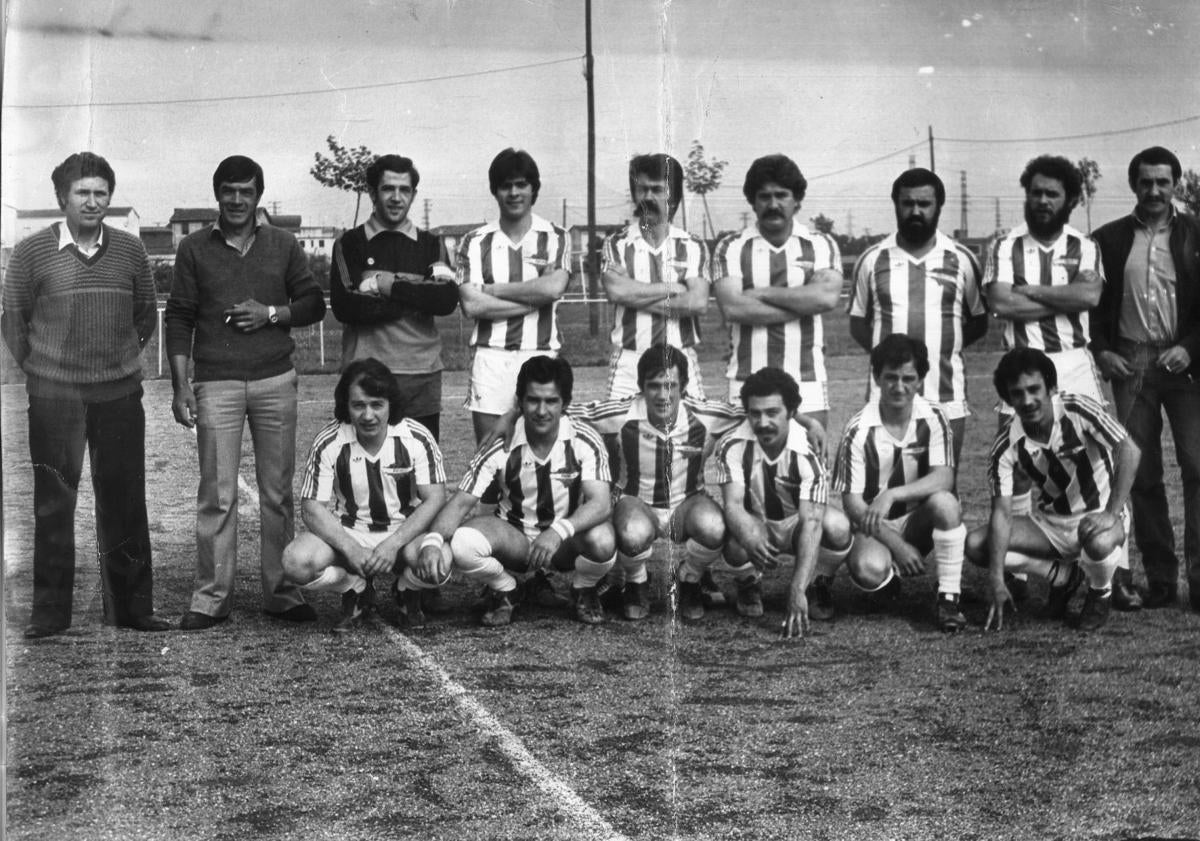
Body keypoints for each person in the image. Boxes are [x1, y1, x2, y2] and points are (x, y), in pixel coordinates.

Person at [1, 151, 170, 637]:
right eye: (82, 193)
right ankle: (50, 615)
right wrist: (47, 366)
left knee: (124, 499)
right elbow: (14, 320)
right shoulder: (33, 253)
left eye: (101, 193)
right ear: (62, 198)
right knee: (54, 502)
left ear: (109, 198)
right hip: (55, 397)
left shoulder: (130, 251)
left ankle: (133, 609)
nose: (93, 201)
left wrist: (115, 359)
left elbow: (143, 316)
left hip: (118, 394)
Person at [166, 155, 328, 630]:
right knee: (217, 493)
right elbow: (178, 317)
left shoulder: (283, 244)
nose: (237, 199)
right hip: (215, 382)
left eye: (246, 191)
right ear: (217, 194)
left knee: (276, 491)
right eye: (229, 190)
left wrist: (272, 314)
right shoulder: (194, 248)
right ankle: (211, 597)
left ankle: (281, 592)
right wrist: (181, 386)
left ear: (259, 196)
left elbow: (313, 303)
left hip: (275, 379)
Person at [982, 154, 1140, 610]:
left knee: (1102, 463)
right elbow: (1001, 305)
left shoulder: (1083, 245)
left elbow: (1089, 295)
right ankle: (1016, 570)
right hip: (1019, 367)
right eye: (1036, 192)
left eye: (1052, 193)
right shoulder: (1004, 245)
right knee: (1017, 461)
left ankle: (1116, 572)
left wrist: (1028, 291)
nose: (1043, 200)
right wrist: (1059, 297)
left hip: (1073, 362)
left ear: (1070, 199)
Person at [417, 356, 617, 626]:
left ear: (566, 404)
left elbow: (601, 504)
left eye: (551, 401)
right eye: (533, 400)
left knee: (604, 539)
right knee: (462, 542)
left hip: (564, 542)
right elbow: (461, 503)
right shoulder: (502, 442)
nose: (542, 410)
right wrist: (431, 543)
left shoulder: (583, 438)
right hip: (515, 541)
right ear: (520, 402)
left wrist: (558, 532)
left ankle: (584, 587)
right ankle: (506, 588)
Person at [1091, 146, 1200, 611]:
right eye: (1145, 181)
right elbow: (1094, 304)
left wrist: (1190, 347)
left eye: (1163, 181)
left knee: (1197, 467)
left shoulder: (1196, 234)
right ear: (1134, 185)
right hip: (1131, 364)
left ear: (1176, 184)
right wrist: (1103, 352)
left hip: (1185, 365)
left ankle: (1199, 580)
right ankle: (1159, 578)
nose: (1154, 190)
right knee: (1142, 473)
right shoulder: (1109, 239)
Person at [966, 348, 1140, 632]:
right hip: (1052, 525)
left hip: (1100, 514)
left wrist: (1111, 512)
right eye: (1017, 393)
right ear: (1008, 400)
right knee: (975, 545)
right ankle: (1061, 576)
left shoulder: (1079, 409)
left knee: (1097, 543)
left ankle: (1100, 591)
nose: (1027, 400)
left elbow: (1129, 450)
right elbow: (1001, 514)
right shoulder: (1006, 445)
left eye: (1034, 389)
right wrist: (997, 577)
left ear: (1051, 388)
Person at [567, 344, 743, 620]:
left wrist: (806, 420)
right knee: (630, 532)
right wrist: (511, 416)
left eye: (670, 385)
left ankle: (690, 578)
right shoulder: (622, 412)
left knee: (714, 527)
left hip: (688, 503)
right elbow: (563, 413)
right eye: (654, 386)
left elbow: (758, 412)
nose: (663, 395)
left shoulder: (706, 414)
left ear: (683, 386)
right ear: (641, 387)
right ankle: (637, 582)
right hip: (637, 503)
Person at [280, 359, 447, 632]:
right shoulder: (329, 441)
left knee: (441, 563)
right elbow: (312, 507)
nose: (368, 415)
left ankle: (406, 588)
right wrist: (351, 548)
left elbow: (436, 498)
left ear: (390, 404)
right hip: (351, 531)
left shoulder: (416, 437)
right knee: (295, 563)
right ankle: (354, 587)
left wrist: (393, 545)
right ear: (346, 405)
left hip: (405, 534)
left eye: (377, 404)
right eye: (359, 405)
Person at [848, 168, 987, 463]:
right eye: (907, 203)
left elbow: (979, 320)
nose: (915, 211)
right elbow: (858, 323)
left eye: (924, 204)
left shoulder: (961, 258)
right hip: (886, 394)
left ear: (938, 206)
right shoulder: (873, 259)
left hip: (946, 393)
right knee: (885, 482)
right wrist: (888, 356)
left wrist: (943, 349)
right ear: (895, 204)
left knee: (943, 486)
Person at [831, 335, 967, 631]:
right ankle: (891, 575)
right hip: (872, 525)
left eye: (909, 378)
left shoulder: (934, 417)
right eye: (891, 377)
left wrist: (893, 494)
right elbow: (853, 505)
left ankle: (949, 597)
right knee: (868, 571)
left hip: (918, 520)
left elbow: (945, 477)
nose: (899, 386)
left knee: (946, 502)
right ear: (877, 377)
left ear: (920, 380)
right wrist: (898, 546)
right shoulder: (857, 429)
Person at [714, 368, 852, 637]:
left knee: (836, 526)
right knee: (734, 539)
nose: (763, 422)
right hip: (759, 523)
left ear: (790, 412)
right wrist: (748, 535)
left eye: (772, 412)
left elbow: (812, 522)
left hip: (797, 523)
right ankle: (748, 581)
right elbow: (733, 505)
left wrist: (796, 588)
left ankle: (816, 583)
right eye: (755, 413)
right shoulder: (732, 445)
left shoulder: (809, 448)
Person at [329, 154, 457, 441]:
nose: (397, 197)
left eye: (405, 190)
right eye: (388, 189)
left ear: (413, 195)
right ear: (373, 193)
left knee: (418, 469)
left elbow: (446, 299)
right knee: (364, 472)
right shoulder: (349, 243)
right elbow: (346, 306)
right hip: (364, 377)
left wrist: (386, 285)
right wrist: (417, 291)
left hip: (421, 375)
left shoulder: (431, 244)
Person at [713, 154, 843, 428]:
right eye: (764, 196)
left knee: (809, 465)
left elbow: (825, 297)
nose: (773, 204)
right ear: (753, 201)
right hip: (746, 380)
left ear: (797, 200)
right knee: (748, 465)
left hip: (806, 378)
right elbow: (734, 308)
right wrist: (802, 303)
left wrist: (759, 293)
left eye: (781, 195)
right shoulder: (732, 246)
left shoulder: (820, 244)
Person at [455, 148, 572, 445]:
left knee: (544, 453)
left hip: (542, 354)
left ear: (534, 189)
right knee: (490, 453)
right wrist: (536, 297)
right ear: (495, 191)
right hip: (492, 357)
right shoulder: (474, 241)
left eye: (521, 184)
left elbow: (554, 289)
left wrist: (494, 290)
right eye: (506, 185)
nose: (514, 192)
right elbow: (471, 304)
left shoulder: (556, 236)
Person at [601, 154, 711, 399]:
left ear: (674, 195)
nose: (648, 197)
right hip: (629, 359)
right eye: (642, 189)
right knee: (620, 433)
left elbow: (697, 303)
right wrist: (675, 287)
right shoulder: (616, 243)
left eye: (657, 190)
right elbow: (616, 292)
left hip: (680, 357)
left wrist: (633, 294)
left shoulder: (693, 245)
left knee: (691, 434)